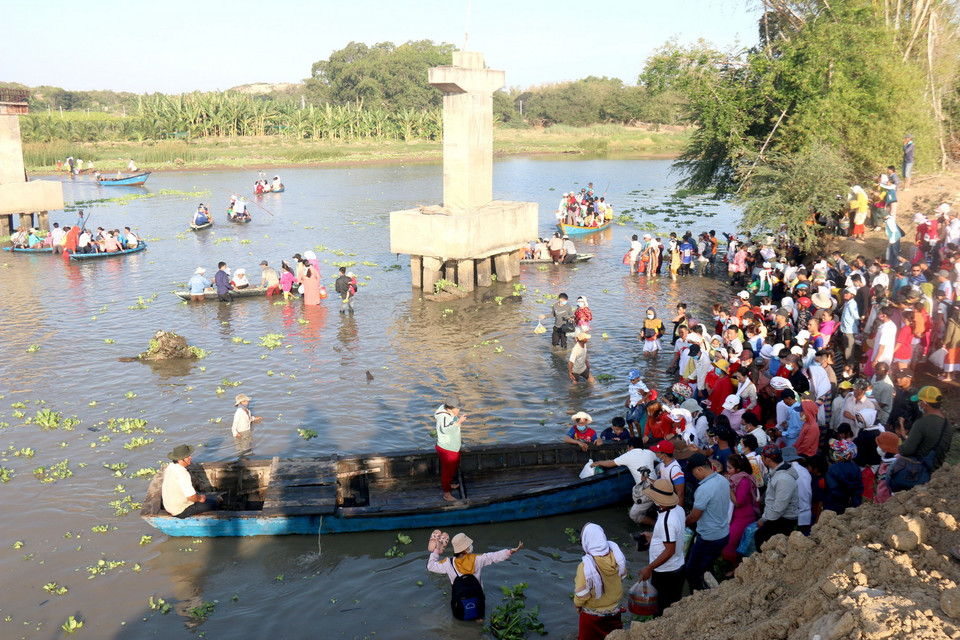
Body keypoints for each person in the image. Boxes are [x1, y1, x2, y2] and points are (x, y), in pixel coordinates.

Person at [426, 530, 522, 621]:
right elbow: (494, 556)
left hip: (459, 602)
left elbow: (430, 566)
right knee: (480, 616)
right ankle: (480, 620)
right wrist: (510, 552)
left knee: (458, 615)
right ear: (466, 548)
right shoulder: (477, 559)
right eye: (469, 545)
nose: (471, 546)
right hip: (478, 600)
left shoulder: (448, 563)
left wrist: (437, 550)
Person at [636, 479, 686, 617]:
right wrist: (654, 536)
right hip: (678, 566)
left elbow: (669, 550)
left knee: (661, 610)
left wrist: (649, 568)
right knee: (673, 605)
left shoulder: (667, 521)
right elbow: (675, 534)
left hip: (666, 572)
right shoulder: (678, 509)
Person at [684, 453, 732, 591]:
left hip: (708, 537)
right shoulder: (722, 479)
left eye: (693, 472)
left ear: (699, 469)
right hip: (723, 533)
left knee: (692, 572)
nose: (693, 476)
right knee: (708, 568)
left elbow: (694, 517)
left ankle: (700, 598)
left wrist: (681, 524)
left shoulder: (704, 489)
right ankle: (712, 589)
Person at [573, 523, 626, 640]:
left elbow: (582, 594)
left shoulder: (585, 566)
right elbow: (622, 576)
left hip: (593, 617)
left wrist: (577, 605)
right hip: (614, 612)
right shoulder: (617, 557)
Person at [593, 437, 660, 526]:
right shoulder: (649, 453)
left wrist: (598, 462)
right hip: (659, 487)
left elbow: (610, 463)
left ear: (630, 447)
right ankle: (653, 510)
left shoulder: (628, 455)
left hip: (647, 491)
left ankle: (656, 526)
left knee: (634, 515)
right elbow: (659, 459)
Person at [754, 445, 799, 551]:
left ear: (768, 460)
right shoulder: (777, 471)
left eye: (762, 458)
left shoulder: (783, 479)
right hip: (776, 516)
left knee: (761, 539)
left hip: (783, 519)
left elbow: (780, 506)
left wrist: (764, 519)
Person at [898, 386, 952, 472]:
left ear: (924, 403)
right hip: (937, 469)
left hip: (919, 470)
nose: (918, 404)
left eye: (919, 401)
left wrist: (899, 446)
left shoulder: (921, 423)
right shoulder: (947, 424)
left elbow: (907, 450)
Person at [161, 445, 219, 518]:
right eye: (187, 456)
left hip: (169, 507)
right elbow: (191, 497)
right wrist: (200, 498)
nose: (190, 457)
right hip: (180, 511)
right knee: (212, 503)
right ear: (180, 460)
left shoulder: (170, 467)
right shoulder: (182, 473)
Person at [435, 397, 467, 502]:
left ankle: (448, 486)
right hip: (447, 449)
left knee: (452, 468)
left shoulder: (449, 413)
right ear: (451, 408)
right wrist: (458, 423)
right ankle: (447, 494)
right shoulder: (444, 417)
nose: (459, 410)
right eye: (458, 408)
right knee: (447, 472)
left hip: (452, 447)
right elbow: (445, 430)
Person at [823, 439, 863, 515]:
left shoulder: (832, 469)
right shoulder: (856, 468)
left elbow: (832, 488)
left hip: (834, 505)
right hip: (852, 505)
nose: (834, 453)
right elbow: (859, 487)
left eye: (837, 452)